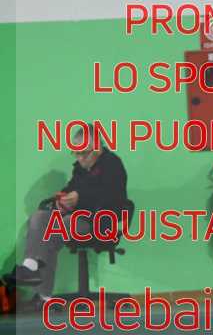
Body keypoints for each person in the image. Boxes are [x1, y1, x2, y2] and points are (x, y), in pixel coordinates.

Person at [7, 125, 128, 309]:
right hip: (75, 218)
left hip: (100, 222)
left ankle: (42, 289)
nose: (80, 158)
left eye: (84, 153)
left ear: (97, 147)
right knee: (40, 218)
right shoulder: (80, 169)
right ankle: (32, 269)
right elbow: (71, 189)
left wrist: (80, 197)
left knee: (60, 225)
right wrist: (60, 202)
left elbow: (110, 197)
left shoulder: (113, 165)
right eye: (76, 153)